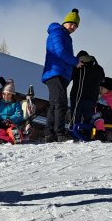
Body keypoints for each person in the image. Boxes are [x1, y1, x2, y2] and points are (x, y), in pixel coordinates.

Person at [41, 8, 81, 142]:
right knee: (60, 103)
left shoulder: (65, 36)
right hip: (55, 72)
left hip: (60, 73)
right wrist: (75, 61)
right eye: (72, 24)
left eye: (76, 26)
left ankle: (49, 133)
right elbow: (60, 51)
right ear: (66, 22)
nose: (73, 27)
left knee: (54, 104)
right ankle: (60, 133)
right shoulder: (57, 32)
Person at [68, 50, 105, 139]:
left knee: (75, 119)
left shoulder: (77, 66)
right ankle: (88, 137)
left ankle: (74, 137)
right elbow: (102, 81)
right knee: (89, 120)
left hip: (77, 97)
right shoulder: (98, 68)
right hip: (92, 99)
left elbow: (68, 77)